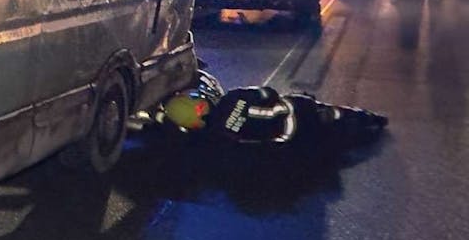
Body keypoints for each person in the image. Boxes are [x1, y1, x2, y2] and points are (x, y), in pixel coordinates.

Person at [157, 75, 387, 149]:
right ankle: (368, 119)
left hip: (290, 138)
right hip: (298, 109)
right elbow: (268, 93)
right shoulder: (234, 96)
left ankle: (358, 134)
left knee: (334, 139)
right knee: (334, 115)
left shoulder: (218, 135)